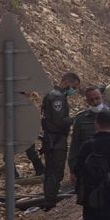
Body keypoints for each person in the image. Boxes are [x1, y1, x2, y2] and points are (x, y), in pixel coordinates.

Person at [67, 85, 110, 176]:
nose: (95, 102)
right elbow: (75, 145)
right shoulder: (81, 119)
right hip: (88, 169)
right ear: (87, 101)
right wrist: (73, 170)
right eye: (91, 100)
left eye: (97, 98)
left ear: (102, 97)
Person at [40, 72, 80, 206]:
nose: (73, 90)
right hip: (56, 140)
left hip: (51, 139)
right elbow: (59, 121)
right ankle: (50, 200)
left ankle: (48, 198)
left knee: (50, 170)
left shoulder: (52, 94)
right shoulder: (58, 97)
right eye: (73, 87)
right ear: (68, 82)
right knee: (55, 171)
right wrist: (75, 119)